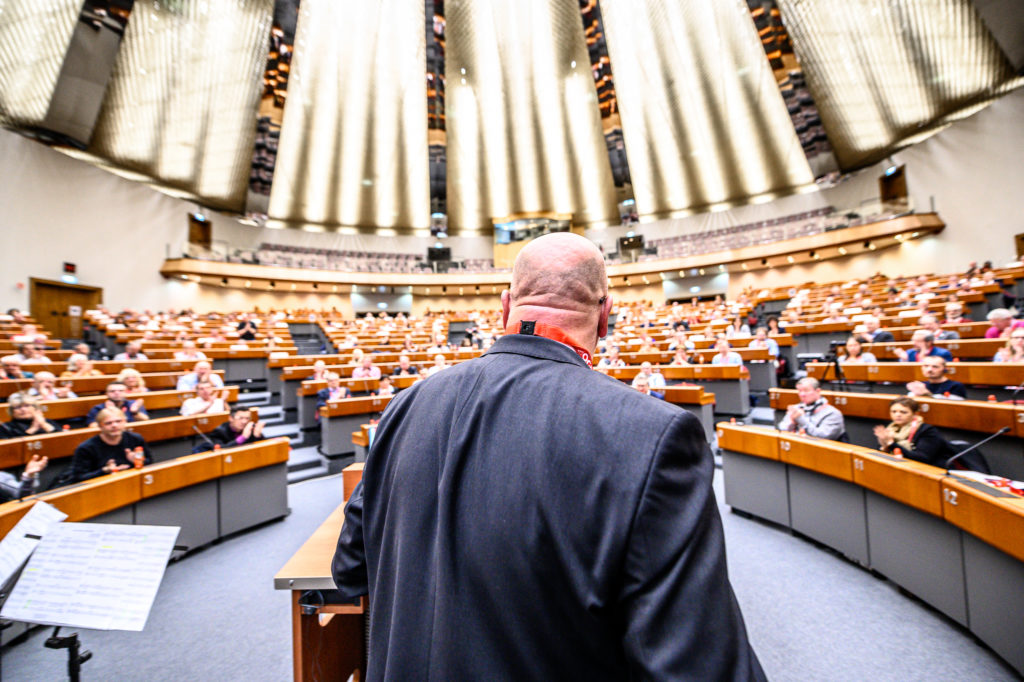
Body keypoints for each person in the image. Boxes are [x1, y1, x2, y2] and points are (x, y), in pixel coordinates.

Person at [332, 232, 763, 680]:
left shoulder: (405, 406)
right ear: (605, 316)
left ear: (505, 307)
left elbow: (350, 569)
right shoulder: (653, 434)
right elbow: (701, 666)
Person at [69, 407, 151, 482]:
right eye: (108, 423)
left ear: (125, 422)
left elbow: (150, 462)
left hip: (130, 482)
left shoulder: (135, 439)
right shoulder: (86, 448)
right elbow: (78, 477)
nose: (114, 425)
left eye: (118, 421)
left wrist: (138, 461)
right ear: (100, 426)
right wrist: (104, 471)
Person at [873, 397, 958, 468]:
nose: (897, 415)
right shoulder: (891, 429)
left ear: (915, 414)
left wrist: (891, 444)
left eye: (903, 412)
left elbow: (922, 458)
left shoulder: (927, 431)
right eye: (894, 411)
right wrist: (884, 446)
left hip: (931, 470)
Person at [777, 377, 846, 440]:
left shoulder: (832, 413)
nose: (802, 394)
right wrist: (791, 422)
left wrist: (800, 419)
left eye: (806, 391)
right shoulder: (796, 408)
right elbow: (781, 431)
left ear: (818, 391)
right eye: (800, 391)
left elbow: (824, 438)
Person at [196, 406, 265, 451]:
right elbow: (220, 449)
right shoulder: (219, 432)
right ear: (231, 418)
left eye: (247, 418)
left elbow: (264, 450)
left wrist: (258, 436)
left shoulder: (250, 429)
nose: (244, 421)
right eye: (240, 418)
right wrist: (243, 437)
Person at [86, 381, 150, 426]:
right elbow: (92, 426)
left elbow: (145, 421)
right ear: (106, 394)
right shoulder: (98, 408)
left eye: (121, 391)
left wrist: (135, 413)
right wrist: (109, 413)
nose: (117, 393)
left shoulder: (133, 404)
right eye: (112, 391)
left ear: (126, 393)